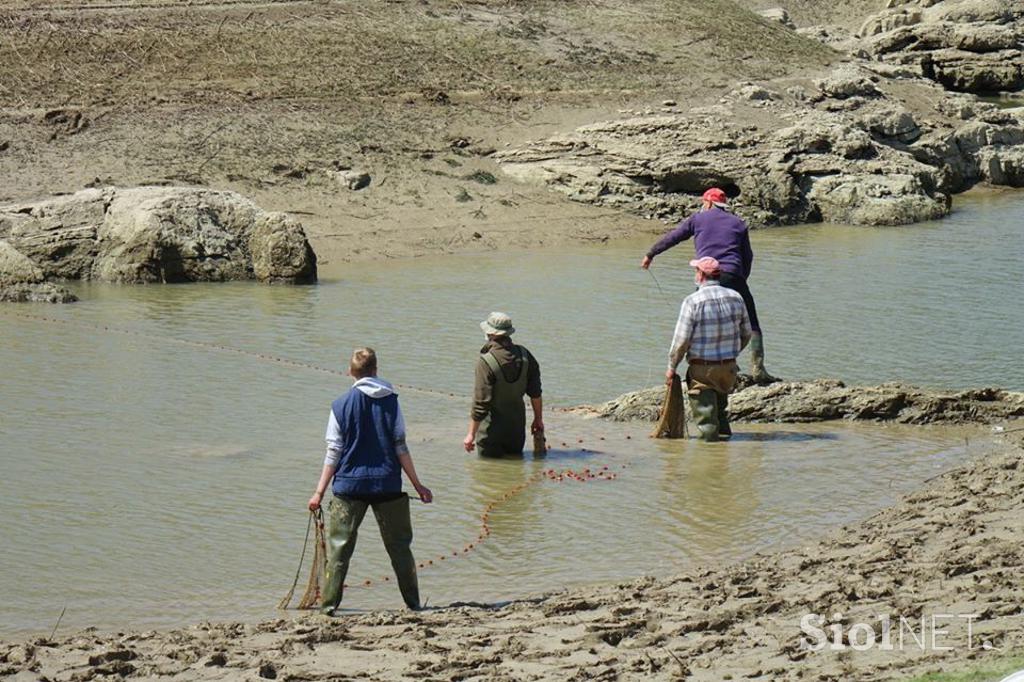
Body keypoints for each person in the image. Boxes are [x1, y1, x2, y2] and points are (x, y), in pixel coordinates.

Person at [307, 348, 432, 614]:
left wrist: (318, 492)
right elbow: (401, 447)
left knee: (340, 549)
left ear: (350, 372)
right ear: (376, 370)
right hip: (386, 484)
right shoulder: (392, 402)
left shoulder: (340, 405)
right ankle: (414, 604)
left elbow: (334, 451)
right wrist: (418, 485)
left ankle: (329, 607)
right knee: (399, 548)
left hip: (348, 486)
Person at [641, 187, 776, 383]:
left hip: (706, 275)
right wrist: (740, 278)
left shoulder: (698, 219)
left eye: (704, 202)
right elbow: (748, 257)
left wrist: (651, 254)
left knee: (699, 320)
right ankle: (757, 369)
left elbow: (674, 237)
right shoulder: (739, 223)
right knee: (752, 324)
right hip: (733, 274)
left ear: (709, 202)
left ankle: (705, 365)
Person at [666, 257, 752, 442]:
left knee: (707, 425)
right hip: (729, 369)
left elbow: (681, 341)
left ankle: (712, 460)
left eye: (696, 270)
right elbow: (747, 333)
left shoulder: (692, 301)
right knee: (721, 414)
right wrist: (733, 353)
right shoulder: (736, 297)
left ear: (701, 274)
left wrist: (671, 367)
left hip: (702, 371)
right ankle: (724, 454)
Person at [463, 312, 543, 457]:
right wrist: (538, 420)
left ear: (490, 333)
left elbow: (481, 403)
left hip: (490, 435)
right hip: (516, 432)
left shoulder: (486, 362)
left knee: (488, 474)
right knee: (516, 473)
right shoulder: (525, 355)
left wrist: (470, 435)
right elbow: (535, 393)